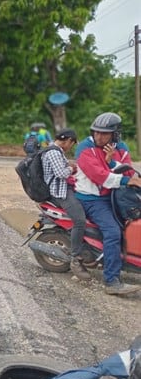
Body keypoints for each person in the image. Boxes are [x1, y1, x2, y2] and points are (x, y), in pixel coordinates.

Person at [75, 112, 141, 295]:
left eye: (104, 133)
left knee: (131, 224)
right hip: (92, 199)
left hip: (113, 196)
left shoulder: (121, 147)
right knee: (113, 232)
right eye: (96, 132)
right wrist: (126, 181)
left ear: (115, 134)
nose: (99, 136)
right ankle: (111, 281)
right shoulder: (84, 148)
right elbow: (99, 175)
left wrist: (112, 162)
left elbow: (128, 171)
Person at [41, 128, 90, 280]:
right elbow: (61, 174)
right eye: (72, 144)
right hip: (60, 193)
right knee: (80, 220)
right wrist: (72, 167)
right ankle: (76, 258)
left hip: (63, 189)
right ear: (68, 140)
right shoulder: (53, 152)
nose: (71, 147)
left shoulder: (56, 151)